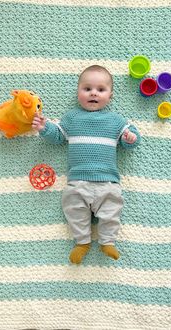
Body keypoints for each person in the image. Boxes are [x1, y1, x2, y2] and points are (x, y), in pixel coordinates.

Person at [32, 65, 141, 264]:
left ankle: (107, 241)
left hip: (108, 181)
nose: (93, 93)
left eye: (101, 90)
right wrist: (44, 127)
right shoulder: (72, 118)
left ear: (110, 95)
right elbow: (58, 136)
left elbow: (129, 139)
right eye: (87, 88)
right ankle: (82, 242)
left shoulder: (115, 120)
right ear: (78, 91)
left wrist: (130, 138)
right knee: (73, 209)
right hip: (78, 181)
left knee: (111, 211)